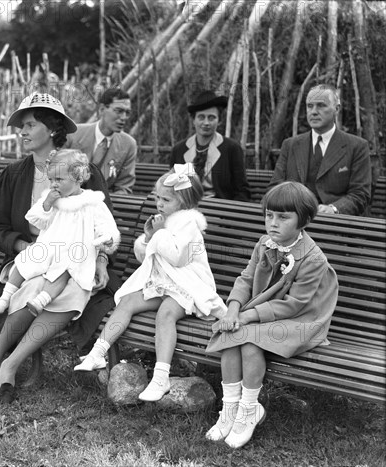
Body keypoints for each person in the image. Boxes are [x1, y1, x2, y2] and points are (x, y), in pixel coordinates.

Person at [0, 92, 121, 402]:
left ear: (52, 129)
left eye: (29, 125)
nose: (22, 132)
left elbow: (103, 224)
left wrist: (102, 260)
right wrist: (22, 244)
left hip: (78, 259)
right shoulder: (14, 174)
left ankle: (9, 363)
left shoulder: (83, 171)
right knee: (32, 284)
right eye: (21, 126)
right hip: (32, 254)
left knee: (62, 290)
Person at [75, 163, 227, 402]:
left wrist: (157, 235)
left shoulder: (188, 224)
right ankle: (99, 351)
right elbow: (147, 258)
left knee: (165, 314)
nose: (160, 205)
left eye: (166, 200)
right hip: (163, 285)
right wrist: (147, 238)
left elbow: (177, 258)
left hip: (185, 288)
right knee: (126, 302)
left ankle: (161, 376)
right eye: (158, 198)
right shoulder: (164, 221)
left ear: (185, 202)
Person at [204, 181, 338, 449]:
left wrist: (248, 316)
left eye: (283, 217)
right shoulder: (265, 243)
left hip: (302, 318)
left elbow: (295, 305)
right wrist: (233, 311)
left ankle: (250, 408)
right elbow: (245, 279)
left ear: (304, 220)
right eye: (269, 215)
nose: (273, 223)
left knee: (250, 341)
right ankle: (230, 409)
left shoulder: (312, 258)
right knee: (231, 335)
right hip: (266, 311)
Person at [0, 148, 120, 316]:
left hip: (76, 251)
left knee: (64, 272)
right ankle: (5, 297)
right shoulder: (52, 200)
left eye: (58, 179)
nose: (53, 184)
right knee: (24, 261)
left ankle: (41, 300)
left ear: (78, 177)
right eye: (50, 179)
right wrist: (47, 205)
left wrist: (107, 239)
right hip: (49, 246)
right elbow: (36, 219)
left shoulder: (92, 202)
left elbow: (106, 226)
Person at [269, 84, 371, 216]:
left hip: (336, 224)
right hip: (295, 223)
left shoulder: (357, 146)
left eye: (321, 105)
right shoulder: (290, 145)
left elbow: (360, 194)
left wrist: (333, 209)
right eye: (310, 106)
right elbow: (275, 188)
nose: (314, 111)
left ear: (336, 108)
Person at [169, 90, 250, 201]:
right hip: (187, 209)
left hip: (221, 211)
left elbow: (242, 191)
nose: (206, 123)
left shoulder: (231, 148)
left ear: (219, 121)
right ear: (193, 120)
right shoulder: (179, 150)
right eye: (201, 117)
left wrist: (231, 213)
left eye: (211, 118)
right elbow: (172, 187)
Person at [65, 88, 137, 194]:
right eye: (119, 111)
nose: (123, 117)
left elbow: (123, 187)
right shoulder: (73, 133)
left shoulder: (128, 145)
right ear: (102, 109)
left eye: (127, 112)